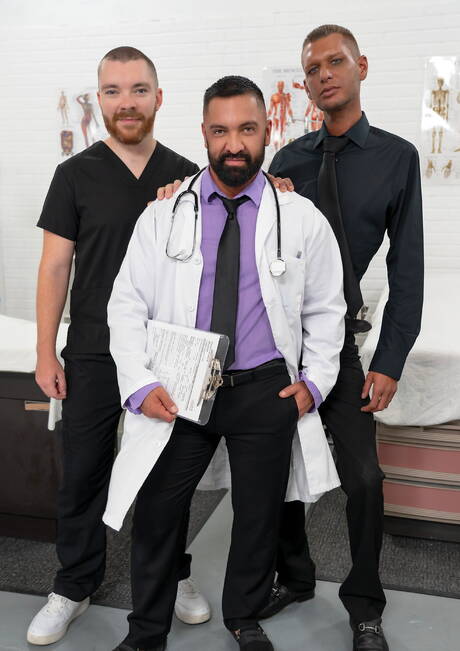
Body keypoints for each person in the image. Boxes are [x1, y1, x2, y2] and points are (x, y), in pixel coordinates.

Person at [105, 75, 346, 651]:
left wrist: (314, 383)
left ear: (267, 132)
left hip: (265, 388)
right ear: (204, 134)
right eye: (220, 131)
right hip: (182, 385)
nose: (233, 144)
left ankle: (244, 614)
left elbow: (327, 307)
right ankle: (146, 631)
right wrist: (139, 385)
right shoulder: (163, 214)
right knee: (159, 511)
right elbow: (126, 304)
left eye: (246, 129)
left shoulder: (301, 217)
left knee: (259, 514)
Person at [27, 46, 211, 646]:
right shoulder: (74, 175)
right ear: (100, 99)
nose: (126, 102)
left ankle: (173, 574)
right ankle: (73, 585)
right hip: (92, 351)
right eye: (113, 91)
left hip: (168, 355)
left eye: (138, 90)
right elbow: (55, 268)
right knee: (83, 473)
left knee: (165, 478)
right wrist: (45, 351)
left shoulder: (189, 176)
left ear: (159, 97)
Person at [259, 24, 424, 651]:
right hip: (280, 344)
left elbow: (407, 271)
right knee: (275, 470)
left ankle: (365, 605)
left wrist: (390, 360)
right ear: (305, 83)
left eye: (335, 62)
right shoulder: (287, 161)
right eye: (313, 68)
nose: (324, 74)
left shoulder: (396, 159)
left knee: (365, 480)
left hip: (342, 345)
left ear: (361, 66)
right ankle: (294, 575)